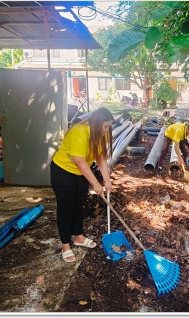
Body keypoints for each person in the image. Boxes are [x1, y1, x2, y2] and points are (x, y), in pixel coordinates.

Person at [50, 107, 114, 263]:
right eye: (105, 126)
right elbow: (79, 160)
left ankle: (79, 237)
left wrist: (106, 179)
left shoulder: (100, 135)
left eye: (109, 127)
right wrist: (95, 184)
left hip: (80, 173)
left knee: (79, 205)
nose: (107, 130)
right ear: (98, 122)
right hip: (63, 171)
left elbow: (100, 158)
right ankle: (66, 245)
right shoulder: (80, 131)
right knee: (66, 208)